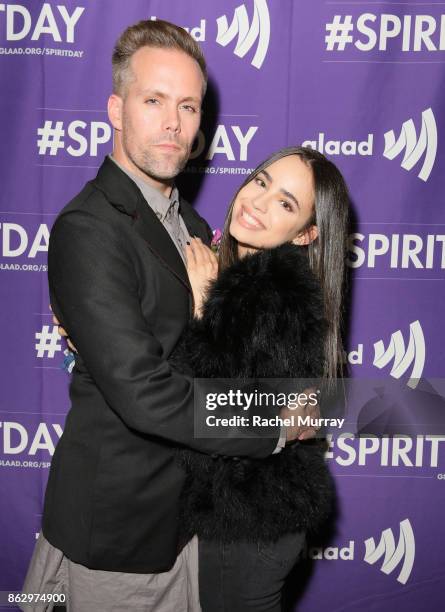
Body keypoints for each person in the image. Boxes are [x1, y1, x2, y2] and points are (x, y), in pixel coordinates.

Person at [21, 19, 315, 612]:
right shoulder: (90, 230)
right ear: (115, 108)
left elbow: (233, 351)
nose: (173, 124)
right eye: (153, 100)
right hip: (119, 534)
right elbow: (146, 395)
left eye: (187, 105)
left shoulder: (196, 229)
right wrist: (275, 424)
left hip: (185, 524)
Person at [169, 145, 350, 611]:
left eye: (286, 204)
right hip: (249, 511)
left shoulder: (275, 293)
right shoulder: (233, 269)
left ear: (307, 233)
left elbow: (209, 409)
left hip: (251, 519)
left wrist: (199, 308)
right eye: (262, 182)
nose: (258, 201)